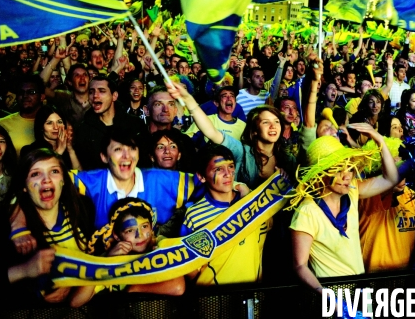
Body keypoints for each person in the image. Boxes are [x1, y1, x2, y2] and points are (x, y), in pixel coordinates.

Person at [289, 132, 399, 294]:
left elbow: (391, 179)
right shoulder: (307, 211)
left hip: (362, 290)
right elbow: (300, 265)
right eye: (339, 169)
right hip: (332, 295)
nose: (347, 175)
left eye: (349, 168)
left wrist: (378, 138)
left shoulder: (352, 193)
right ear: (320, 174)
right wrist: (328, 297)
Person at [2, 149, 94, 304]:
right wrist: (25, 270)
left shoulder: (83, 208)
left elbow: (94, 256)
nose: (46, 180)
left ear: (63, 180)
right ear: (24, 186)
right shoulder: (11, 228)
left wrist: (71, 283)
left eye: (54, 171)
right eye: (35, 174)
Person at [166, 80, 296, 189]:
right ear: (255, 130)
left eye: (277, 122)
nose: (273, 126)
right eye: (266, 122)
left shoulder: (287, 158)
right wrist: (188, 99)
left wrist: (286, 179)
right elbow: (212, 132)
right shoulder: (242, 151)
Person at [70, 129, 196, 232]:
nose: (127, 155)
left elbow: (207, 181)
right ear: (104, 157)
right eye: (118, 149)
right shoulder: (91, 182)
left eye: (132, 148)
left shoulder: (160, 179)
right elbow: (54, 180)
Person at [70, 198, 185, 307]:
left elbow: (178, 287)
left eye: (144, 226)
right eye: (130, 230)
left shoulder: (161, 244)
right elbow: (76, 301)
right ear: (117, 236)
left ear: (151, 228)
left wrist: (135, 289)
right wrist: (104, 263)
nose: (139, 235)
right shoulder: (110, 258)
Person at [181, 145, 262, 286]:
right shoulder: (194, 215)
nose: (228, 173)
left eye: (230, 166)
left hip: (252, 293)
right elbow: (188, 267)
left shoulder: (253, 200)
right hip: (214, 297)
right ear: (201, 176)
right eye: (218, 169)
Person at [74, 75, 148, 170]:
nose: (95, 96)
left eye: (102, 91)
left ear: (114, 96)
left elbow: (144, 162)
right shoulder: (83, 130)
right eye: (91, 92)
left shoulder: (135, 124)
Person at [21, 106, 82, 171]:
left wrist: (70, 150)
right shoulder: (29, 150)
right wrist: (59, 151)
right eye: (49, 123)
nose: (56, 127)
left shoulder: (72, 149)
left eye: (59, 122)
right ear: (41, 127)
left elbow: (81, 177)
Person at [0, 75, 45, 157]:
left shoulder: (52, 122)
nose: (25, 96)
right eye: (21, 92)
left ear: (42, 97)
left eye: (31, 92)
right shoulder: (3, 123)